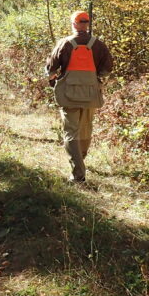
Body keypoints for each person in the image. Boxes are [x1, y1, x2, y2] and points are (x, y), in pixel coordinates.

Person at [45, 11, 114, 183]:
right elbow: (107, 69)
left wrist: (54, 79)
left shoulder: (64, 43)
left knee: (71, 132)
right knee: (86, 130)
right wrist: (94, 78)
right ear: (87, 24)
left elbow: (50, 69)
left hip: (69, 95)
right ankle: (80, 162)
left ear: (74, 24)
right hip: (91, 94)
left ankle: (78, 174)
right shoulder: (98, 45)